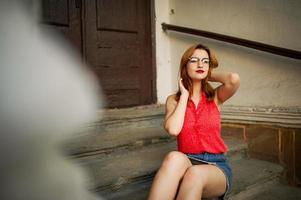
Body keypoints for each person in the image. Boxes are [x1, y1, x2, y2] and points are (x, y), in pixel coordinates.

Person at [148, 44, 240, 200]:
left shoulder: (215, 97)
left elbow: (233, 79)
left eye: (205, 61)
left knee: (194, 174)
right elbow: (173, 130)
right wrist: (184, 96)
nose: (200, 65)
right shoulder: (174, 100)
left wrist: (206, 73)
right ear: (185, 66)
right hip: (187, 160)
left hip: (216, 165)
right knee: (173, 157)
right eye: (194, 60)